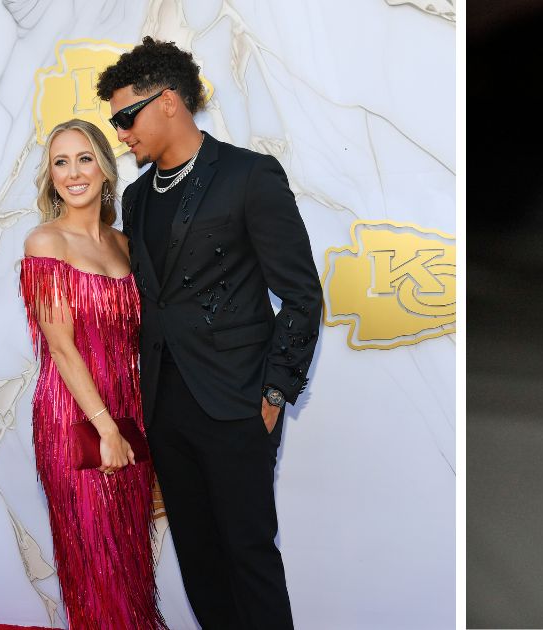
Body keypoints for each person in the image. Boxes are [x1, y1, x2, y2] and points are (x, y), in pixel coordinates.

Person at [95, 38, 322, 629]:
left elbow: (301, 293)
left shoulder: (249, 175)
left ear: (168, 101)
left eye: (126, 117)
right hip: (166, 405)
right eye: (115, 122)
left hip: (238, 402)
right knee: (196, 555)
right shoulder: (139, 197)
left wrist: (274, 392)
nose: (121, 133)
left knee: (247, 552)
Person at [19, 119, 165, 629]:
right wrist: (105, 430)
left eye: (84, 158)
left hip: (128, 415)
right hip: (75, 418)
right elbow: (60, 348)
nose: (73, 172)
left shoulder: (125, 246)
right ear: (51, 177)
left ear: (104, 167)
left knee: (129, 561)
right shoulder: (45, 243)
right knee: (95, 563)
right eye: (61, 162)